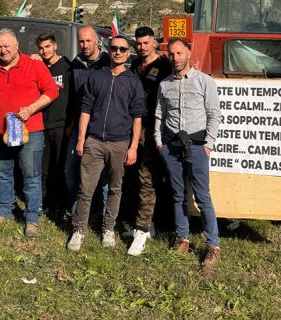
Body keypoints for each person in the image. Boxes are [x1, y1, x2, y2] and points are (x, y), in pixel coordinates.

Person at [0, 29, 58, 238]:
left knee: (31, 176)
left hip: (31, 131)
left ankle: (32, 219)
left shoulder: (34, 64)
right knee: (3, 173)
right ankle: (3, 211)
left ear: (17, 45)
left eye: (7, 46)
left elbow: (52, 91)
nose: (2, 50)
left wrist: (30, 109)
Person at [67, 36, 144, 252]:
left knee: (115, 188)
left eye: (122, 49)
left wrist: (133, 146)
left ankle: (108, 228)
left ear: (128, 53)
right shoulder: (95, 77)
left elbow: (137, 117)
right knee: (86, 189)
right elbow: (85, 110)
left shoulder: (133, 82)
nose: (117, 52)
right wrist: (82, 139)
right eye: (114, 48)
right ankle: (79, 230)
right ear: (108, 51)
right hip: (94, 141)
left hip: (120, 143)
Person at [155, 37, 223, 275]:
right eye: (171, 54)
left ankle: (212, 244)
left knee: (202, 196)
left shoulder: (205, 82)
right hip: (171, 146)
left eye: (179, 53)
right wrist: (159, 142)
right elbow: (159, 115)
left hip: (197, 145)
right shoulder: (164, 85)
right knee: (177, 194)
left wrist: (208, 144)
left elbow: (214, 114)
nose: (175, 58)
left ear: (189, 54)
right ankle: (182, 237)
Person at [126, 26, 173, 256]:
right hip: (134, 126)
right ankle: (148, 224)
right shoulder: (135, 65)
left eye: (146, 43)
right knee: (134, 176)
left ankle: (143, 228)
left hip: (155, 128)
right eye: (139, 43)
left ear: (154, 42)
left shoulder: (164, 66)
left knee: (148, 177)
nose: (142, 47)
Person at [64, 26, 110, 210]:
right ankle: (75, 211)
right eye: (81, 41)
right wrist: (71, 122)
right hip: (78, 126)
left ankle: (104, 215)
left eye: (88, 40)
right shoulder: (75, 64)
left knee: (104, 176)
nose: (85, 45)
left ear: (97, 41)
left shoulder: (108, 63)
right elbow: (72, 97)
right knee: (70, 170)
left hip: (102, 127)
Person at [36, 32, 72, 216]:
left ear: (55, 46)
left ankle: (61, 205)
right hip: (42, 125)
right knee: (43, 169)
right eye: (41, 48)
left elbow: (73, 97)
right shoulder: (39, 68)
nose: (44, 51)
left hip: (61, 125)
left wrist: (70, 124)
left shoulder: (67, 67)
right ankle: (44, 202)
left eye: (48, 46)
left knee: (60, 168)